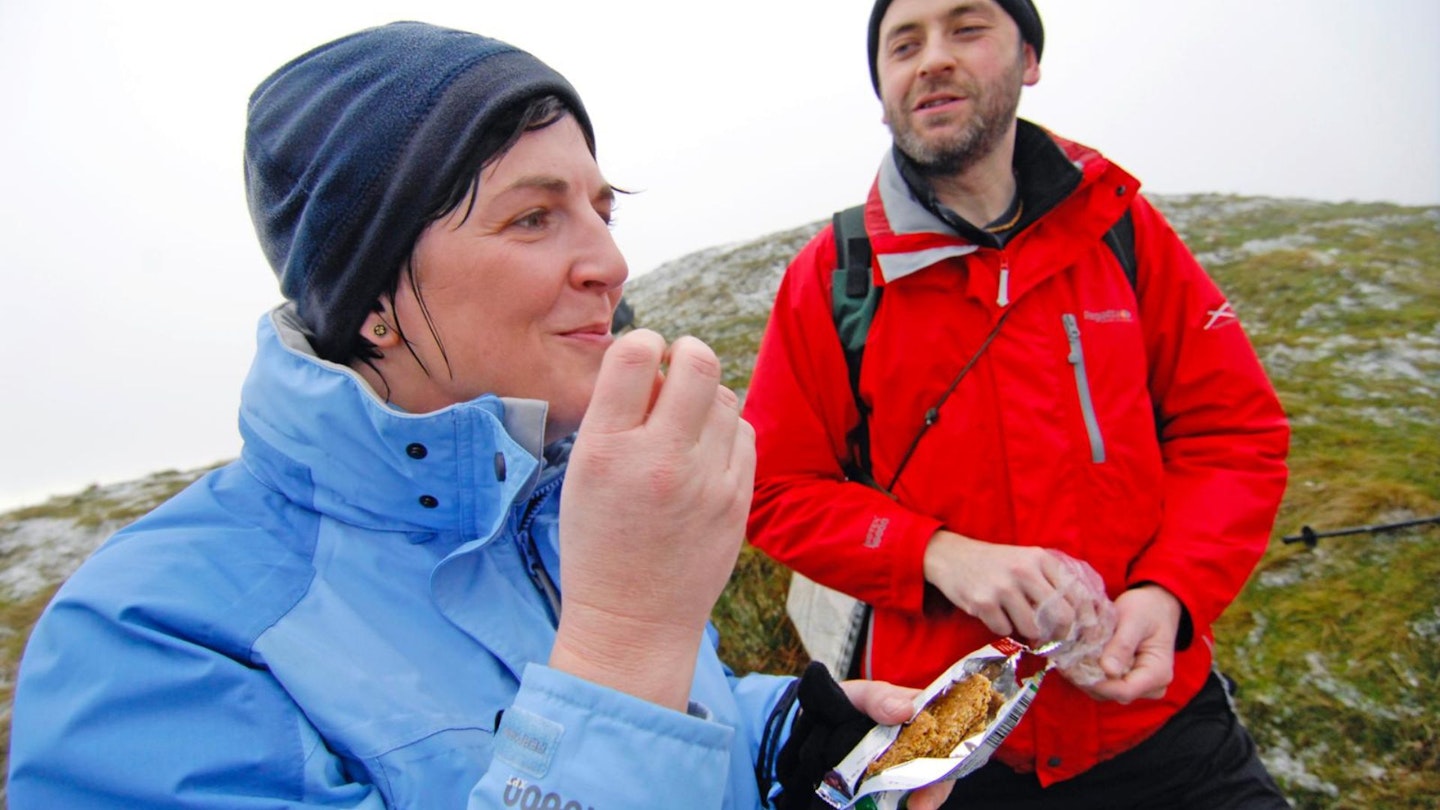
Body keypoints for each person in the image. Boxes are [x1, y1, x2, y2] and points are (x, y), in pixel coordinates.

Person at [7, 22, 955, 810]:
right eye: (533, 218)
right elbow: (604, 687)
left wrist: (776, 737)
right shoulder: (150, 638)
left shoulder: (559, 501)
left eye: (602, 207)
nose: (610, 265)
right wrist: (628, 634)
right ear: (370, 300)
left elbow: (651, 714)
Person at [743, 0, 1293, 806]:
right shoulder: (834, 278)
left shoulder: (1121, 233)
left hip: (1160, 720)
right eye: (904, 45)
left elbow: (1234, 435)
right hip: (950, 745)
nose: (932, 58)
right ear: (884, 87)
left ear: (1028, 59)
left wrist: (1171, 594)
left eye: (966, 29)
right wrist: (938, 556)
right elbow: (773, 490)